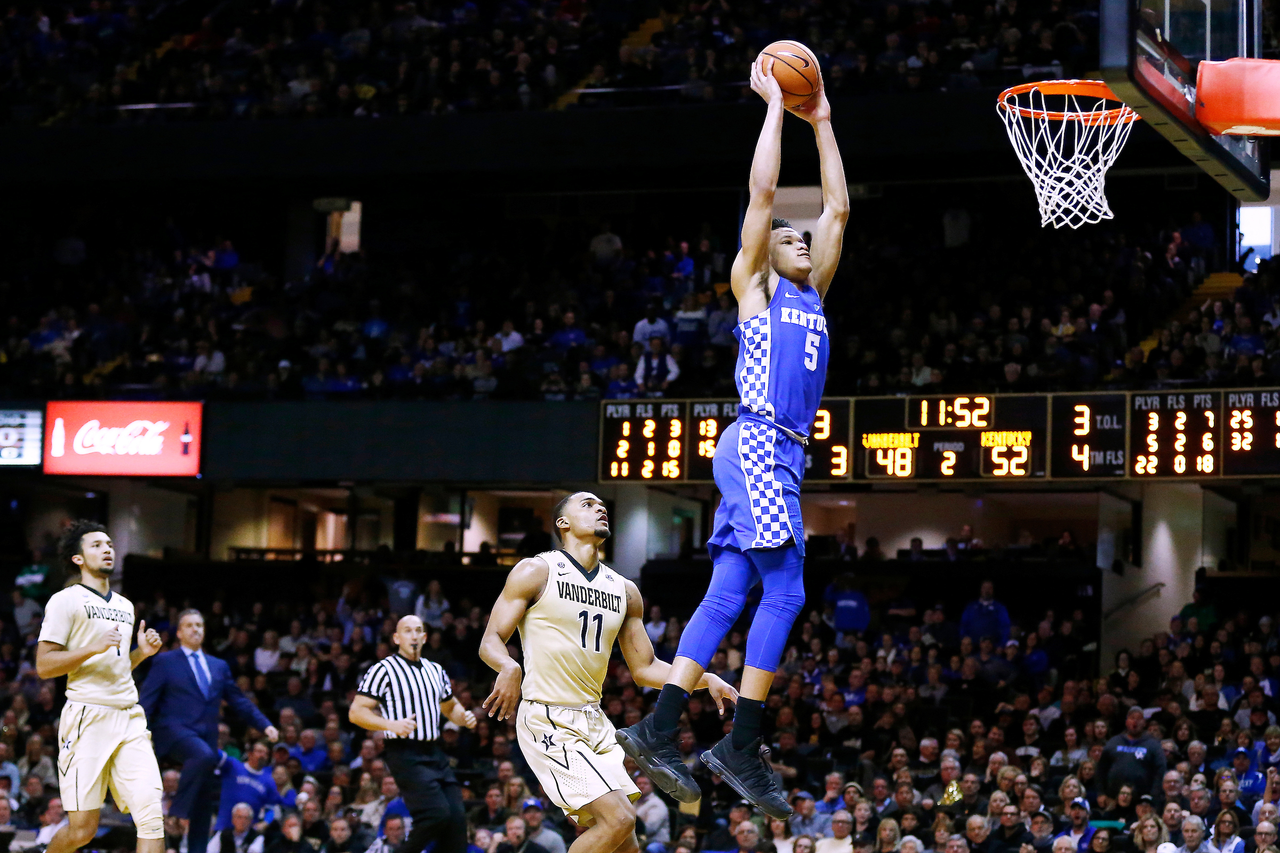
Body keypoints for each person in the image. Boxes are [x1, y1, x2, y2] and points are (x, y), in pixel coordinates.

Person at [616, 52, 849, 822]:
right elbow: (761, 193)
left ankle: (656, 729)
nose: (802, 241)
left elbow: (839, 211)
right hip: (756, 441)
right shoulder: (754, 288)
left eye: (803, 239)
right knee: (788, 587)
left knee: (733, 589)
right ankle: (738, 742)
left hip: (778, 453)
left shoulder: (815, 296)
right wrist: (776, 110)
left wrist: (823, 122)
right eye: (790, 238)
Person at [480, 491, 736, 853]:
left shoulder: (625, 590)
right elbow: (490, 639)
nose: (600, 508)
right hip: (548, 716)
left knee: (625, 843)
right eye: (587, 504)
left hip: (596, 722)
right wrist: (508, 665)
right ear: (562, 523)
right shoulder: (536, 570)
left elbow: (645, 668)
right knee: (619, 819)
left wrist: (705, 678)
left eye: (602, 505)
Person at [35, 520, 165, 853]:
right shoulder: (65, 601)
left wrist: (141, 654)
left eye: (109, 544)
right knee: (83, 831)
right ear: (78, 558)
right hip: (87, 717)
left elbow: (118, 666)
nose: (107, 549)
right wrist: (91, 648)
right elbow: (44, 665)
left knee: (151, 814)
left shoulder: (125, 606)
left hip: (129, 716)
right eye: (96, 545)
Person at [140, 608, 279, 853]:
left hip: (205, 738)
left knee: (203, 805)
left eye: (200, 625)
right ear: (180, 632)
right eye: (190, 625)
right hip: (173, 731)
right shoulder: (165, 660)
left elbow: (239, 701)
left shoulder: (219, 666)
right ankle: (176, 814)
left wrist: (264, 724)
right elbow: (146, 701)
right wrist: (140, 734)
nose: (196, 629)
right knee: (203, 755)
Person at [349, 615, 476, 853]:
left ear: (425, 637)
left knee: (457, 820)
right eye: (407, 631)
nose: (414, 635)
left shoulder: (435, 670)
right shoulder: (383, 669)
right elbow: (356, 712)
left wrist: (463, 717)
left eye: (418, 630)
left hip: (435, 751)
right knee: (435, 814)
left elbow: (450, 707)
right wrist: (390, 724)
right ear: (396, 638)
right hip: (404, 752)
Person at [1097, 708, 1166, 800]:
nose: (1135, 721)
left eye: (1139, 718)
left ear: (1144, 723)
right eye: (1132, 718)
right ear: (1126, 722)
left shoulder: (1153, 744)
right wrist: (1101, 793)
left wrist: (1154, 795)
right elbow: (1101, 769)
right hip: (1113, 797)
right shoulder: (1114, 742)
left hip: (1142, 798)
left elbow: (1160, 770)